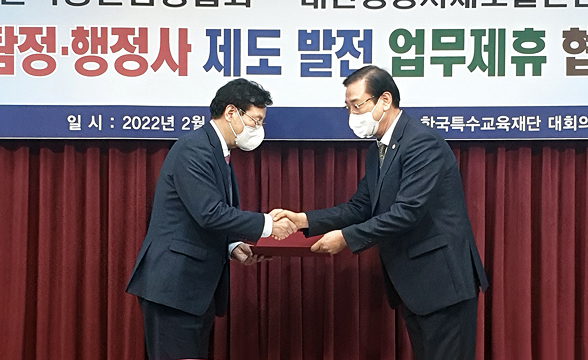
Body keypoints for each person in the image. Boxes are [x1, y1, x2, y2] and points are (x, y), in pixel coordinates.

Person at [274, 65, 489, 360]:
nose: (352, 114)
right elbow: (360, 207)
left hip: (443, 284)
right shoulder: (379, 150)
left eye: (357, 105)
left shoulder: (421, 142)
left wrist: (346, 238)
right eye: (348, 107)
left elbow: (408, 212)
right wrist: (303, 220)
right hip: (417, 288)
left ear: (384, 100)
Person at [126, 78, 296, 360]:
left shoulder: (218, 153)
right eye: (255, 120)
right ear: (231, 112)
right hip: (174, 288)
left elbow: (203, 216)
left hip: (193, 291)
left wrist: (232, 246)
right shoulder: (195, 148)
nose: (258, 128)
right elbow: (209, 213)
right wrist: (268, 225)